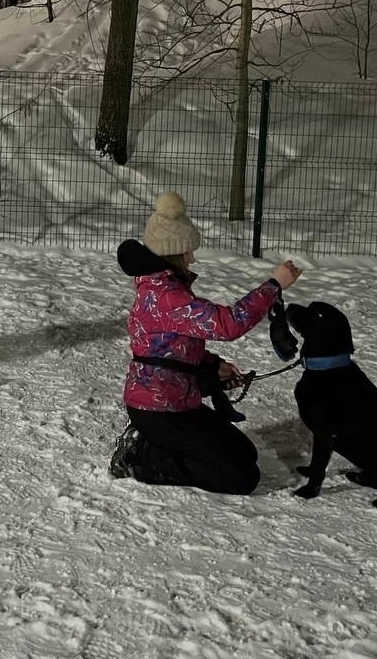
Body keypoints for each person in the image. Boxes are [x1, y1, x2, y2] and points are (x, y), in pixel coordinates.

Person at [110, 191, 302, 493]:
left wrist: (212, 366)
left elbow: (173, 343)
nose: (193, 257)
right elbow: (227, 324)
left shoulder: (163, 288)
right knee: (240, 478)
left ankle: (158, 445)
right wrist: (273, 285)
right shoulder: (167, 296)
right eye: (188, 251)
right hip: (160, 411)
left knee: (245, 454)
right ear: (174, 253)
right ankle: (144, 455)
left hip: (176, 402)